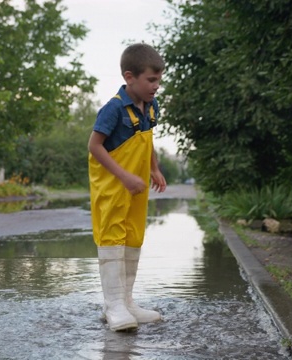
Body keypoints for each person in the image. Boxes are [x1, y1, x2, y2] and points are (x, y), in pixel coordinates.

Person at [88, 43, 167, 332]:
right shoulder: (113, 109)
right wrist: (123, 176)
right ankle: (113, 306)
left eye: (158, 80)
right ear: (129, 76)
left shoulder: (151, 106)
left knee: (132, 236)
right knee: (112, 237)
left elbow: (147, 140)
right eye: (151, 80)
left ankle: (127, 301)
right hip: (112, 185)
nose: (156, 86)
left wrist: (154, 168)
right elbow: (94, 146)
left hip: (136, 186)